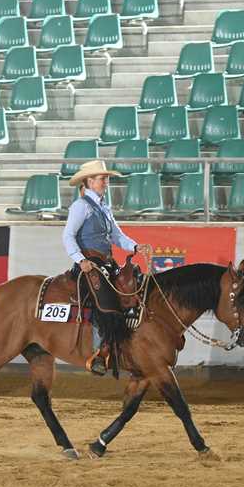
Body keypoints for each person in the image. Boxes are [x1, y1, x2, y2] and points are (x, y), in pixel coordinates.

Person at [62, 160, 152, 376]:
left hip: (105, 263)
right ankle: (98, 354)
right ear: (89, 181)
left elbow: (117, 236)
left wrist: (136, 247)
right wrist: (80, 260)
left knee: (132, 290)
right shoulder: (81, 206)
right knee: (106, 301)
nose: (106, 182)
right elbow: (68, 236)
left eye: (106, 178)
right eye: (102, 178)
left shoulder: (104, 207)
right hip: (89, 264)